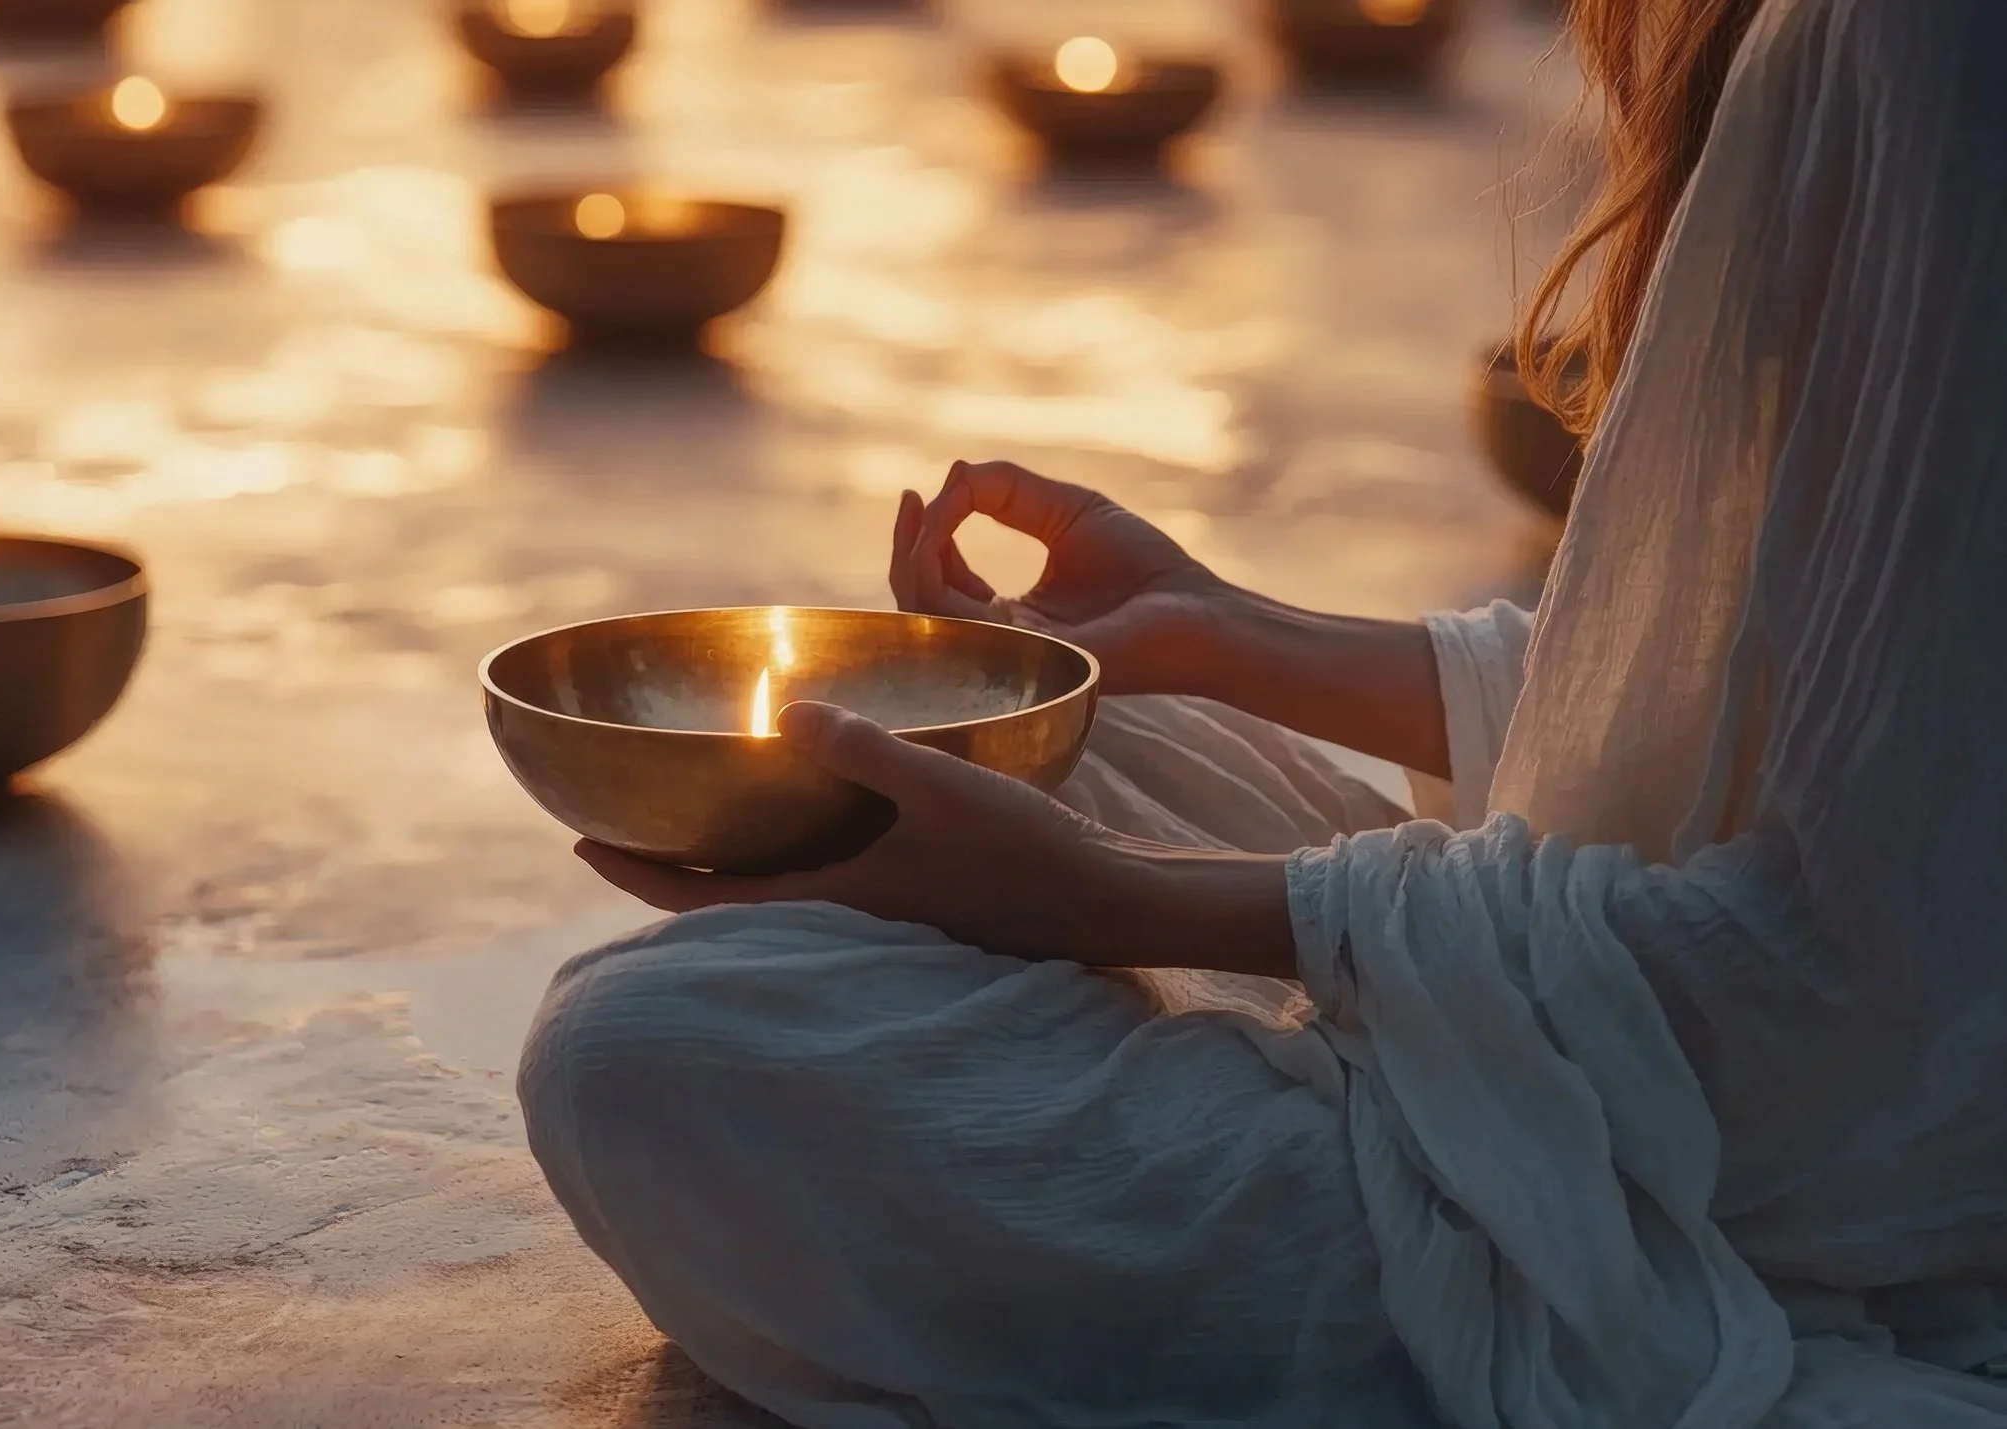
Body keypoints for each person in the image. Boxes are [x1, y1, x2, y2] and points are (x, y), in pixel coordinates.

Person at [519, 0, 2007, 1423]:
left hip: (1746, 1193)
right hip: (1641, 1032)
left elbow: (1874, 1007)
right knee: (1102, 729)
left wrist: (1109, 902)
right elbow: (1747, 708)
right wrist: (1229, 637)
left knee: (647, 1057)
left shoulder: (1931, 38)